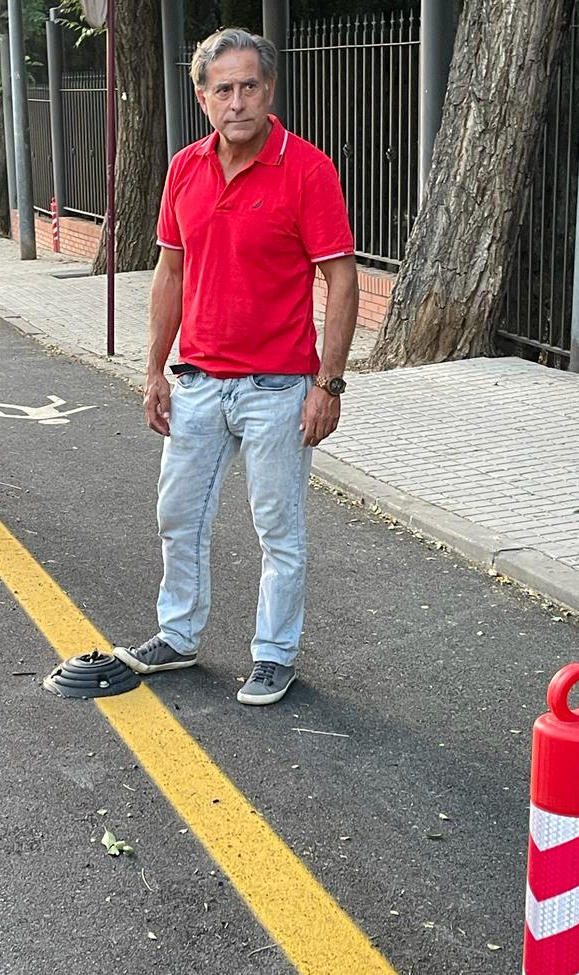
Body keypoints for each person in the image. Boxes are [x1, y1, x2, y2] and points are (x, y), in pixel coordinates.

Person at [113, 27, 358, 705]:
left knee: (277, 528)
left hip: (279, 388)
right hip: (196, 382)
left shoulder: (307, 169)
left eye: (251, 85)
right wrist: (153, 369)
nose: (239, 100)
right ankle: (177, 636)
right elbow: (169, 271)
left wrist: (328, 384)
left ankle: (274, 653)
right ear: (203, 97)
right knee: (178, 515)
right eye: (224, 88)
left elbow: (341, 280)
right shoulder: (184, 168)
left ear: (269, 90)